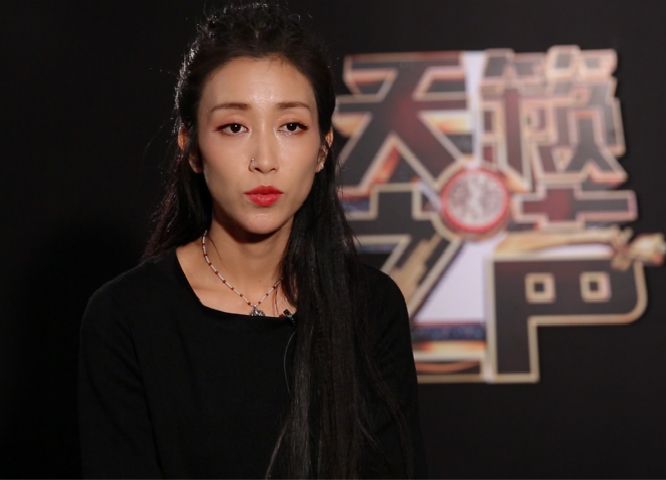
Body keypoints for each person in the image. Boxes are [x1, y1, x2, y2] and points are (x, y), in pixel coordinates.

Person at [78, 3, 425, 478]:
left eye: (291, 126)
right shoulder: (127, 317)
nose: (264, 159)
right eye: (234, 127)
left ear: (322, 149)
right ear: (191, 148)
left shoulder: (371, 308)